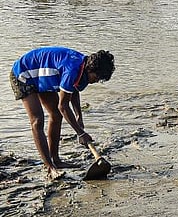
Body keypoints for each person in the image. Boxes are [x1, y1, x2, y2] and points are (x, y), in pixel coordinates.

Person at [10, 47, 115, 180]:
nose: (96, 81)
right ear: (91, 69)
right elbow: (63, 106)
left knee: (56, 115)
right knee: (37, 120)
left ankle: (56, 160)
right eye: (97, 77)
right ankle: (49, 167)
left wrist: (79, 117)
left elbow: (73, 89)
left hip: (43, 76)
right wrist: (80, 133)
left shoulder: (83, 66)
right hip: (23, 74)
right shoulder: (72, 69)